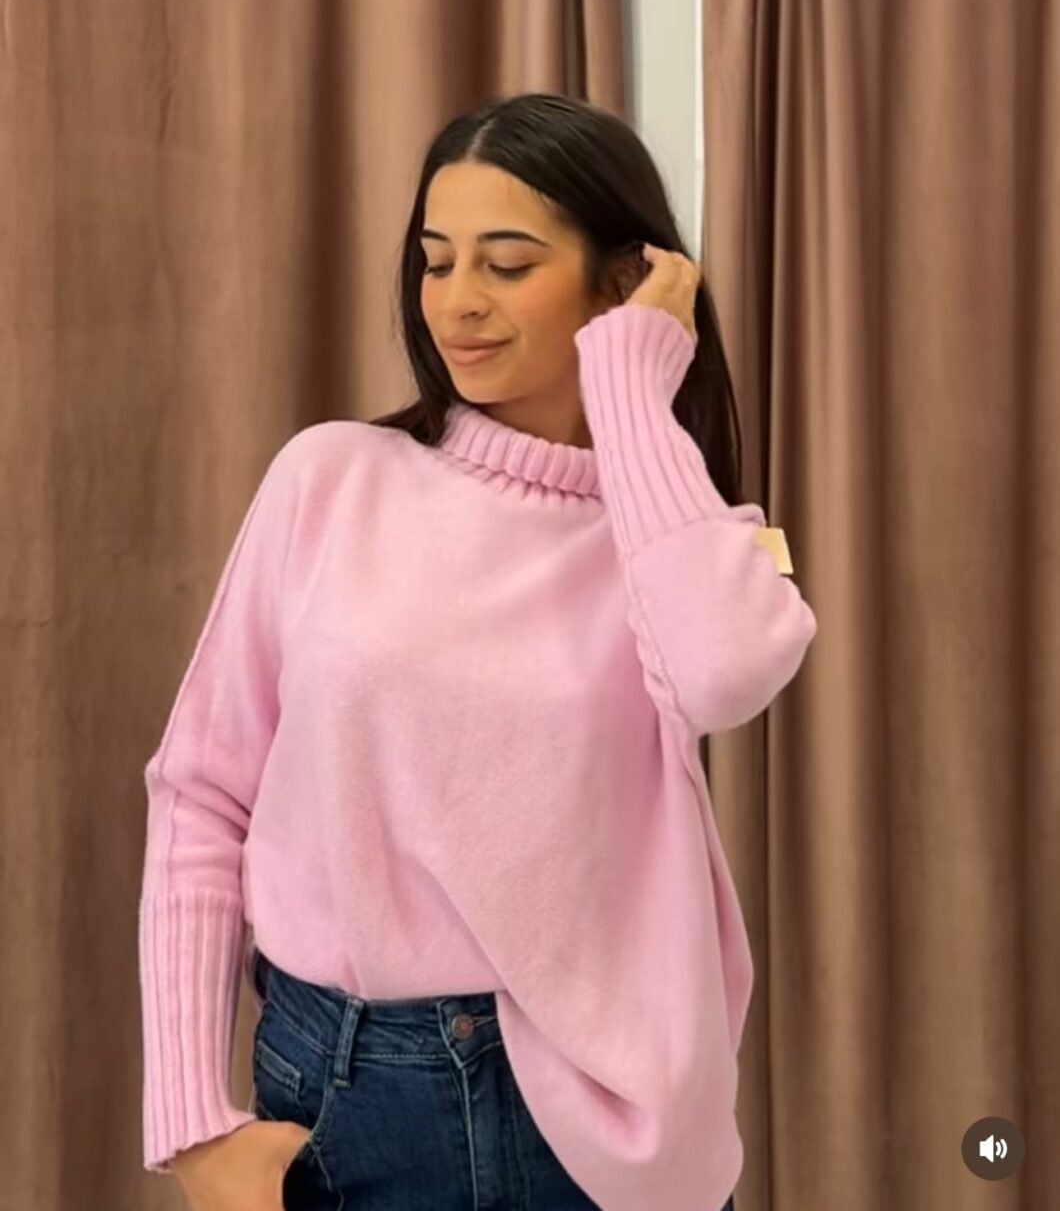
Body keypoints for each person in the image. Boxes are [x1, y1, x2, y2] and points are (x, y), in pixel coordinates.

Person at [138, 92, 816, 1211]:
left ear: (621, 281)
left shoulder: (676, 538)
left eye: (506, 264)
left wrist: (632, 388)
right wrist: (190, 1121)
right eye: (435, 261)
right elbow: (203, 793)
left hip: (603, 1125)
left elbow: (725, 672)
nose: (457, 301)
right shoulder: (331, 479)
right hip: (349, 1088)